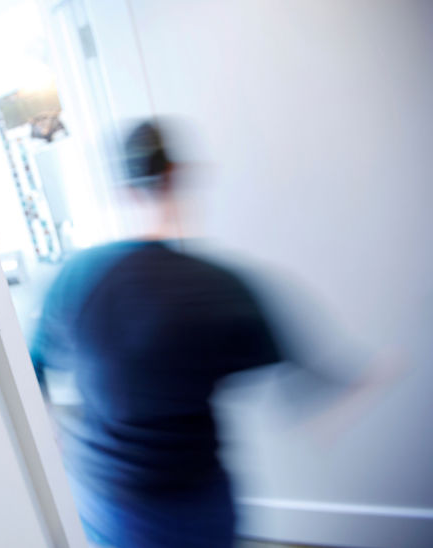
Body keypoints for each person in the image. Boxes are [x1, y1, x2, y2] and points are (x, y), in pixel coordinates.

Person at [31, 121, 283, 547]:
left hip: (111, 505)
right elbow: (306, 379)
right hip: (197, 500)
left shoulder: (78, 275)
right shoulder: (218, 284)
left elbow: (30, 367)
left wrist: (48, 428)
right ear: (177, 175)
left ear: (124, 188)